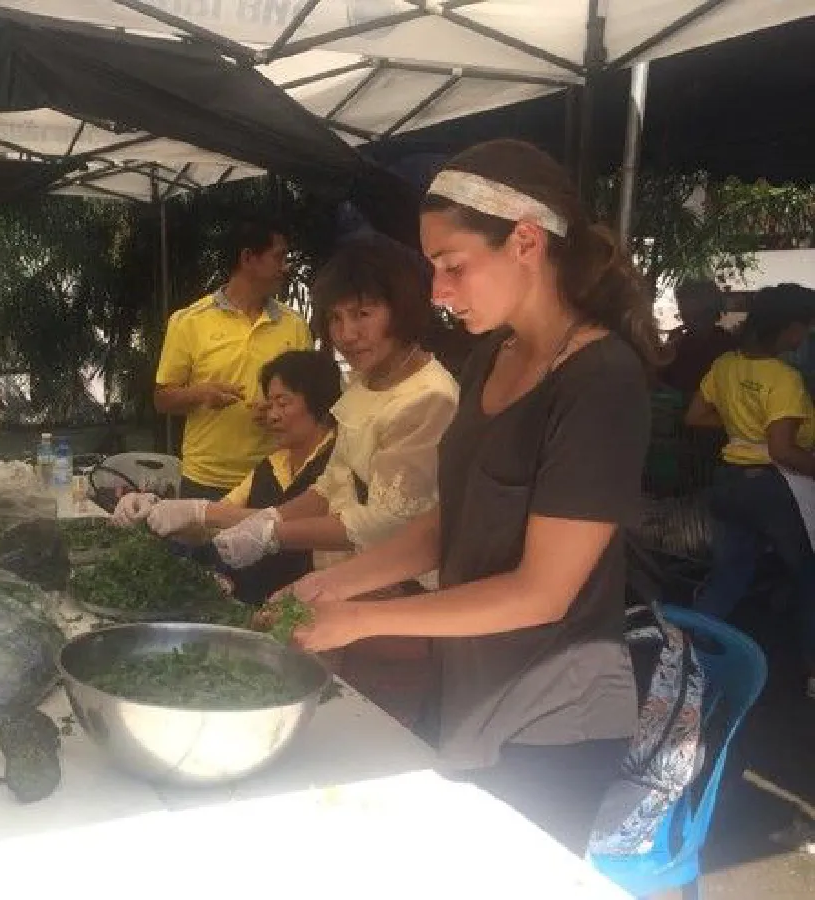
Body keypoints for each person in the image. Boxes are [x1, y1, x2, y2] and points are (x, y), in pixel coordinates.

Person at [280, 140, 657, 855]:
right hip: (469, 690)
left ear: (525, 241)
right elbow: (451, 521)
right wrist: (329, 582)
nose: (440, 291)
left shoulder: (600, 382)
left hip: (551, 717)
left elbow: (542, 594)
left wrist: (359, 622)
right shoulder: (493, 354)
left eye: (453, 266)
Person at [203, 235, 458, 575]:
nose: (347, 333)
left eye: (362, 314)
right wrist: (265, 518)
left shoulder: (429, 398)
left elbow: (389, 523)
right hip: (341, 573)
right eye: (335, 318)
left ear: (403, 309)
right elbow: (331, 485)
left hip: (399, 584)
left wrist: (273, 535)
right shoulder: (362, 380)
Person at [115, 349, 342, 604]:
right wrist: (154, 510)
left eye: (284, 403)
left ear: (321, 403)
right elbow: (212, 527)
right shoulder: (272, 464)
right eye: (270, 404)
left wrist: (200, 510)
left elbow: (293, 516)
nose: (272, 415)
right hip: (252, 602)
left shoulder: (340, 461)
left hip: (314, 608)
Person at [684, 283, 815, 696]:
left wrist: (741, 433)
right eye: (805, 329)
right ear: (790, 328)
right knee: (809, 575)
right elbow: (783, 450)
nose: (805, 337)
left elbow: (694, 415)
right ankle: (812, 672)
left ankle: (688, 655)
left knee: (730, 573)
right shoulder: (783, 378)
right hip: (776, 489)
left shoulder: (727, 364)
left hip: (730, 484)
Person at [154, 219, 312, 500]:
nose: (285, 267)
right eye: (279, 257)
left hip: (275, 474)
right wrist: (201, 394)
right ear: (248, 258)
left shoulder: (295, 325)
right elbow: (162, 399)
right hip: (205, 481)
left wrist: (281, 411)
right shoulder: (188, 321)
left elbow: (313, 399)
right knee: (203, 545)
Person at [659, 279, 736, 397]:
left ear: (710, 312)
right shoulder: (680, 343)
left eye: (695, 315)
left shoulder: (726, 346)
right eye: (683, 314)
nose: (686, 320)